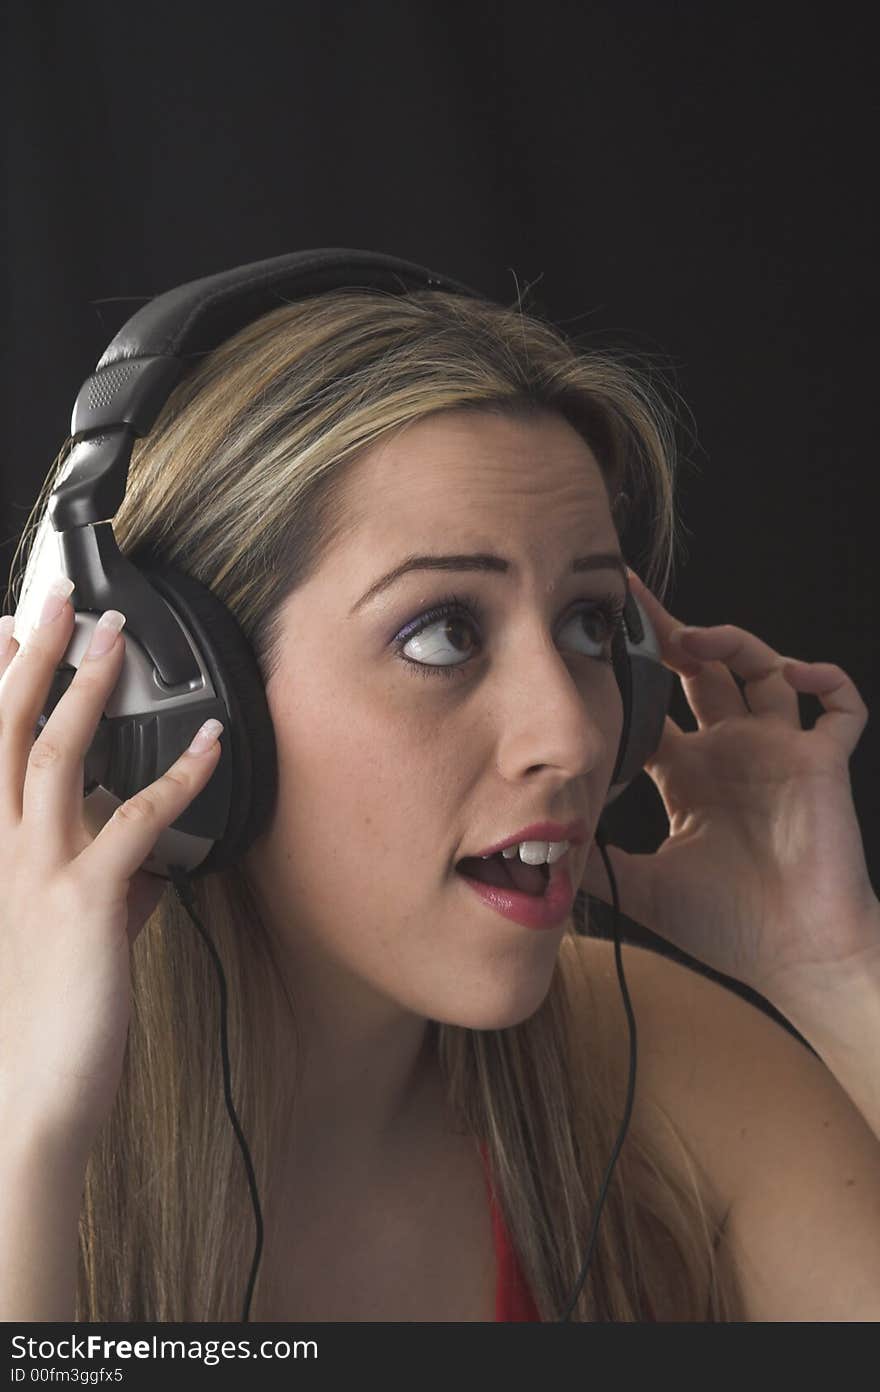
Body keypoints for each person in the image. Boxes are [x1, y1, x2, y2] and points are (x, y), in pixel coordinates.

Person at [2, 284, 879, 1323]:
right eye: (442, 634)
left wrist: (831, 972)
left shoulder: (666, 1077)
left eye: (590, 624)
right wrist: (29, 1138)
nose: (572, 736)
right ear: (164, 695)